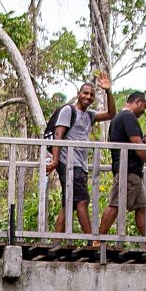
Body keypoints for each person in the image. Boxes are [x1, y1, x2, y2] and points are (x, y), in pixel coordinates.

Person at [45, 75, 114, 234]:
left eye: (91, 95)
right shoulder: (68, 110)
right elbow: (58, 135)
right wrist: (55, 160)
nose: (88, 97)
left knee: (69, 204)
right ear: (78, 94)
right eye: (85, 93)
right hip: (68, 164)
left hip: (79, 165)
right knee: (82, 201)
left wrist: (108, 91)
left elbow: (111, 114)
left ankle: (56, 243)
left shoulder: (89, 115)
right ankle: (92, 242)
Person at [97, 90, 146, 239]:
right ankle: (98, 239)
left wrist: (144, 140)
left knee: (141, 207)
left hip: (133, 172)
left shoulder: (118, 119)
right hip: (127, 171)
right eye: (144, 107)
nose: (143, 112)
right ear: (138, 102)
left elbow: (134, 141)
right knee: (115, 204)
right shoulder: (128, 117)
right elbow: (137, 146)